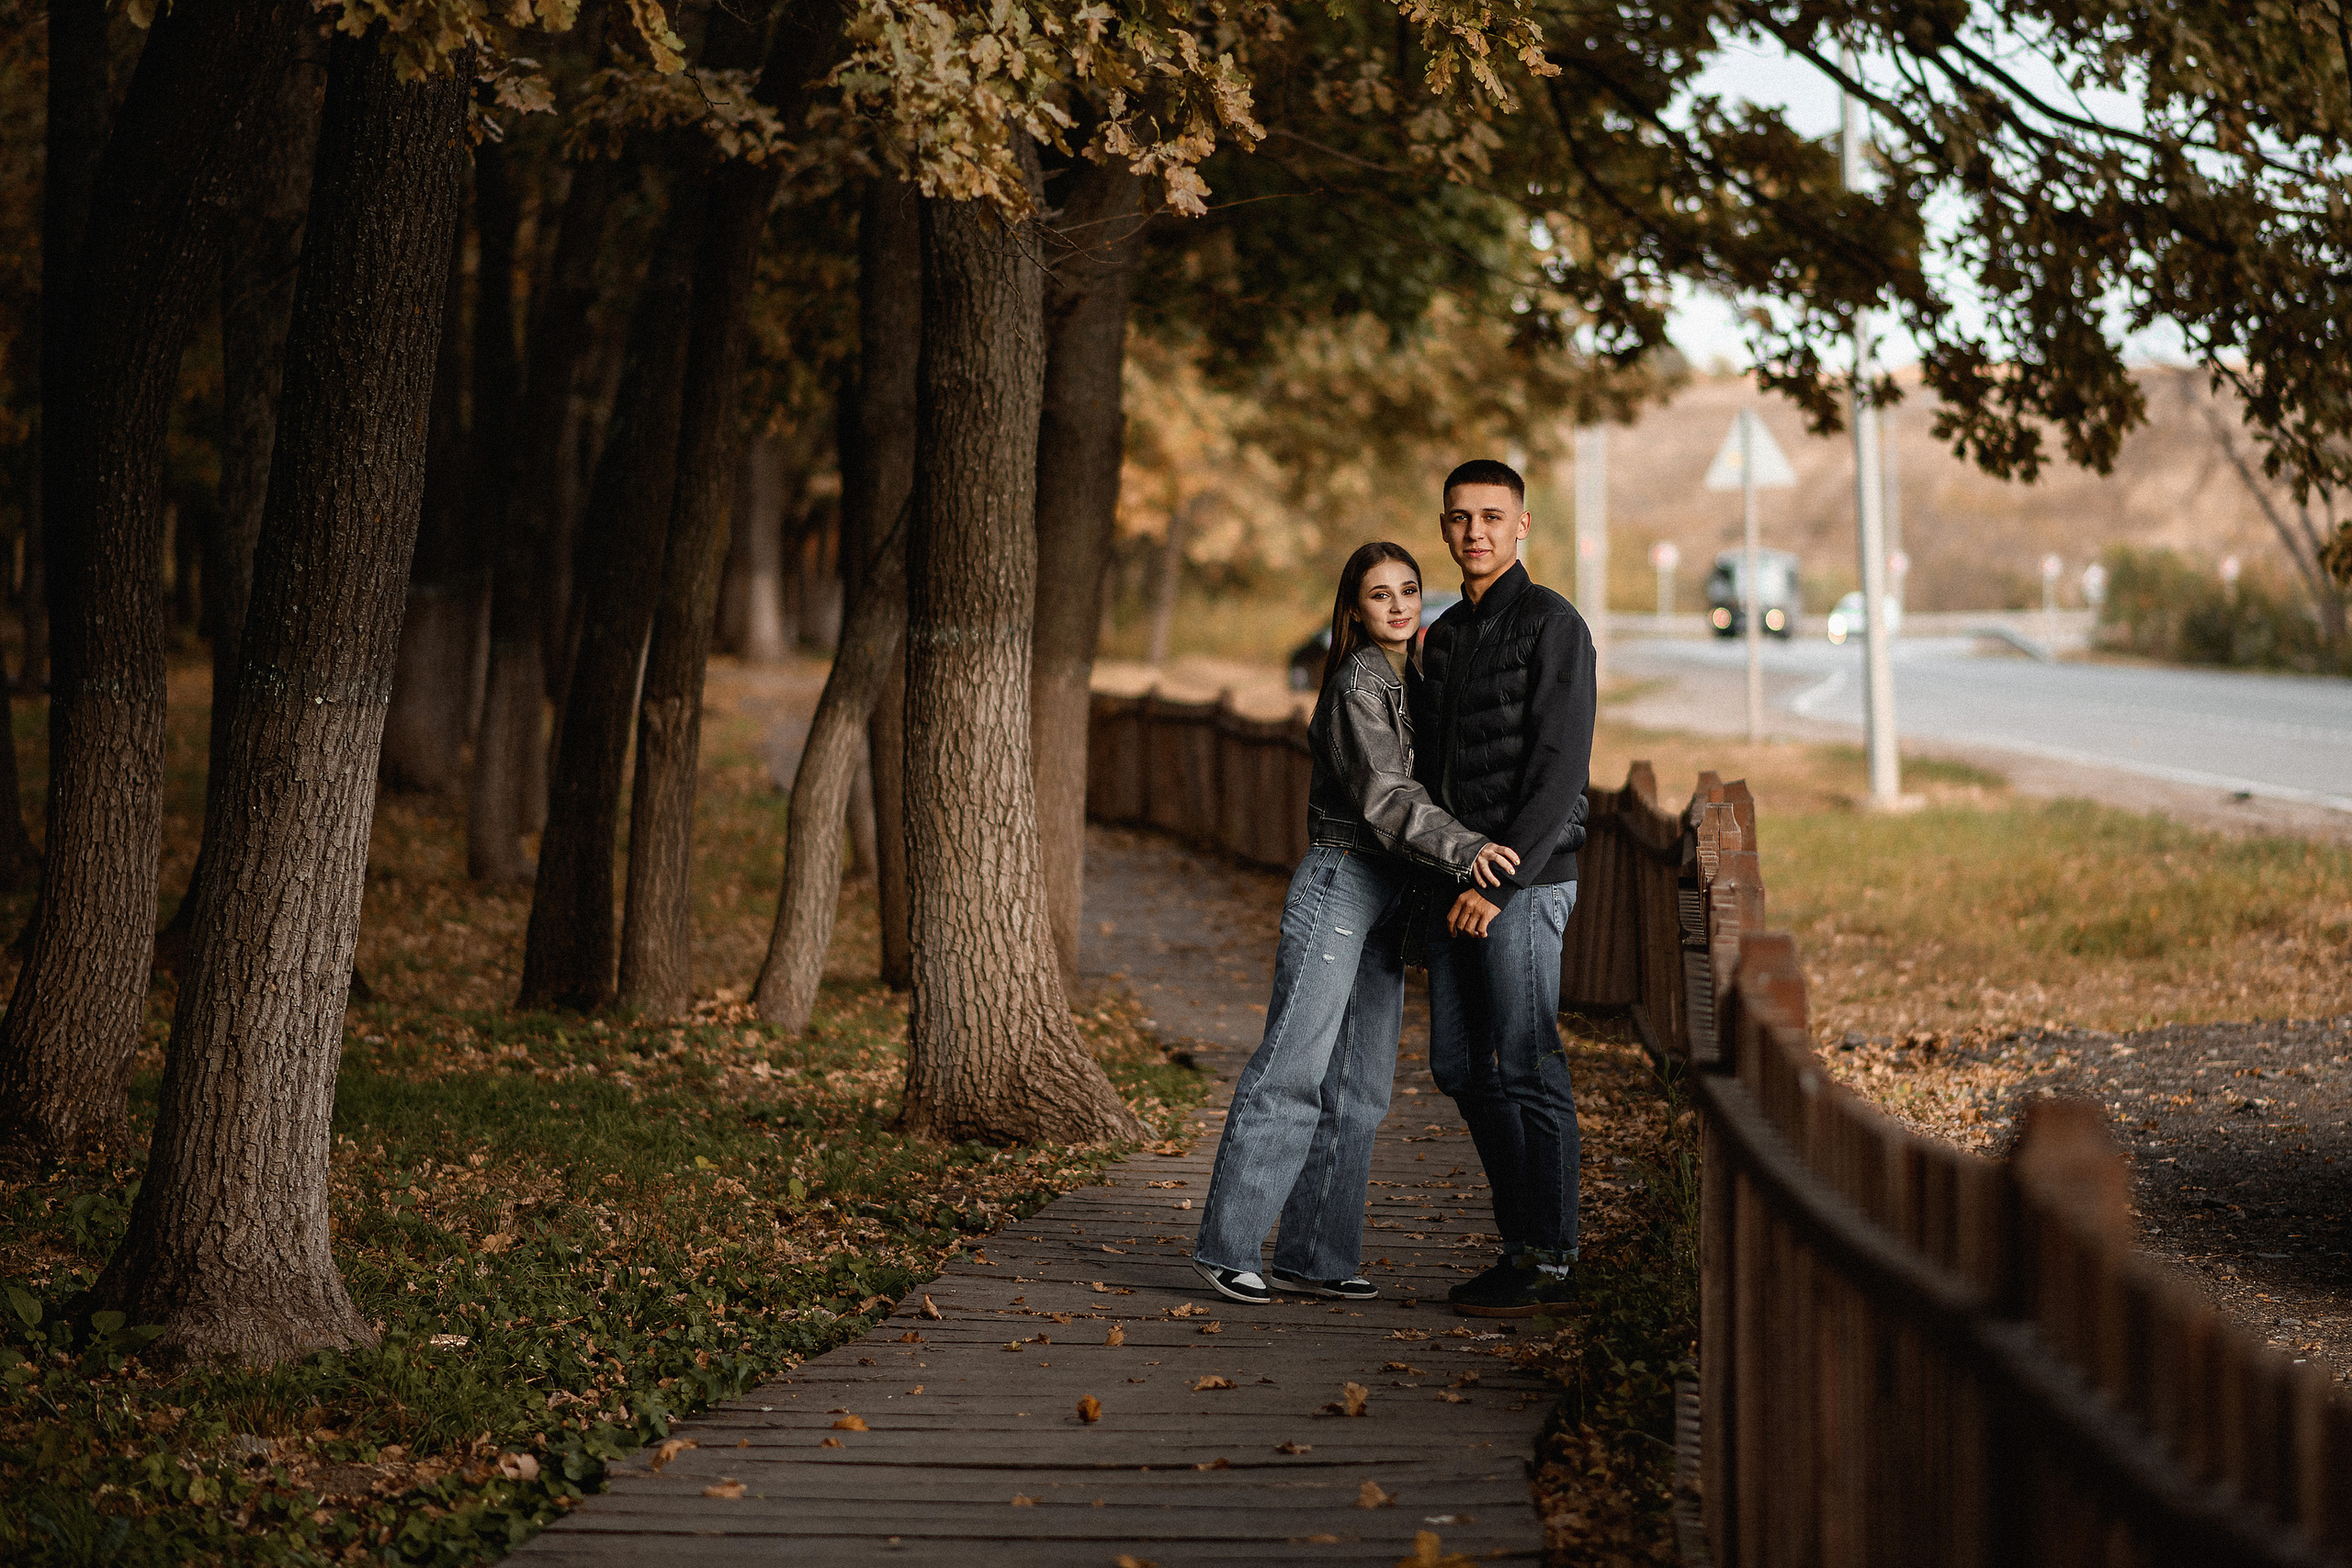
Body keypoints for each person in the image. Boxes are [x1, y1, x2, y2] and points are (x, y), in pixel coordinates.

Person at [1190, 542, 1519, 1306]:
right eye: (1381, 595)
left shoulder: (1416, 679)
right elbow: (1385, 797)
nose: (1400, 606)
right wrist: (1471, 851)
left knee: (1361, 1085)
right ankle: (1226, 1244)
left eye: (1409, 590)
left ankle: (1316, 1252)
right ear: (1355, 609)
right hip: (1341, 881)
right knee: (1294, 1066)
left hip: (1392, 896)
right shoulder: (1357, 684)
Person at [1415, 459, 1598, 1318]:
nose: (1475, 531)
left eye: (1492, 515)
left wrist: (1505, 877)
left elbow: (1559, 769)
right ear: (1446, 528)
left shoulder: (1553, 623)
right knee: (1458, 1063)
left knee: (1527, 1061)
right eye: (1460, 518)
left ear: (1522, 524)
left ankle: (1552, 1255)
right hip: (1457, 885)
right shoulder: (1445, 636)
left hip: (1524, 883)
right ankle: (1523, 1237)